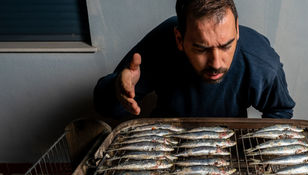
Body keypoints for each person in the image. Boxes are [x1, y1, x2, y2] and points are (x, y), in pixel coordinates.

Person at [94, 0, 295, 119]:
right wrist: (117, 92)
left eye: (226, 45)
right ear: (179, 39)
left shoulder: (262, 62)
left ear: (237, 31)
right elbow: (105, 106)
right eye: (201, 49)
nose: (216, 63)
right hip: (166, 145)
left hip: (229, 144)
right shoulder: (160, 44)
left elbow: (280, 110)